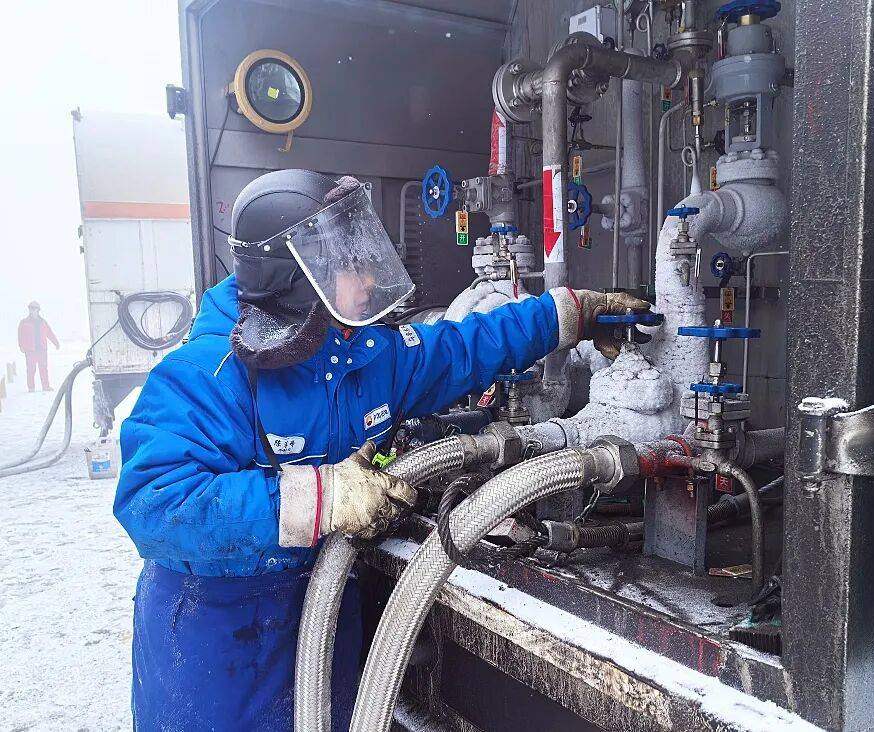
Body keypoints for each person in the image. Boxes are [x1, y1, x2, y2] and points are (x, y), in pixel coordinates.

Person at [113, 170, 649, 731]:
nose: (369, 275)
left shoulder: (364, 354)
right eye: (348, 262)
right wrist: (322, 500)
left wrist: (568, 314)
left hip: (321, 622)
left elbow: (461, 349)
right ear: (296, 279)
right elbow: (155, 502)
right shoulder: (206, 374)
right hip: (216, 652)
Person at [17, 301, 59, 392]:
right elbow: (20, 335)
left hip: (42, 350)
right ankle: (31, 388)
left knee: (43, 369)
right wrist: (21, 346)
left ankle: (46, 386)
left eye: (34, 308)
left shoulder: (43, 322)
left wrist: (56, 343)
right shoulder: (24, 322)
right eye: (30, 308)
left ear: (38, 310)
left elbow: (50, 333)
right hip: (30, 350)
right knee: (31, 369)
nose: (32, 310)